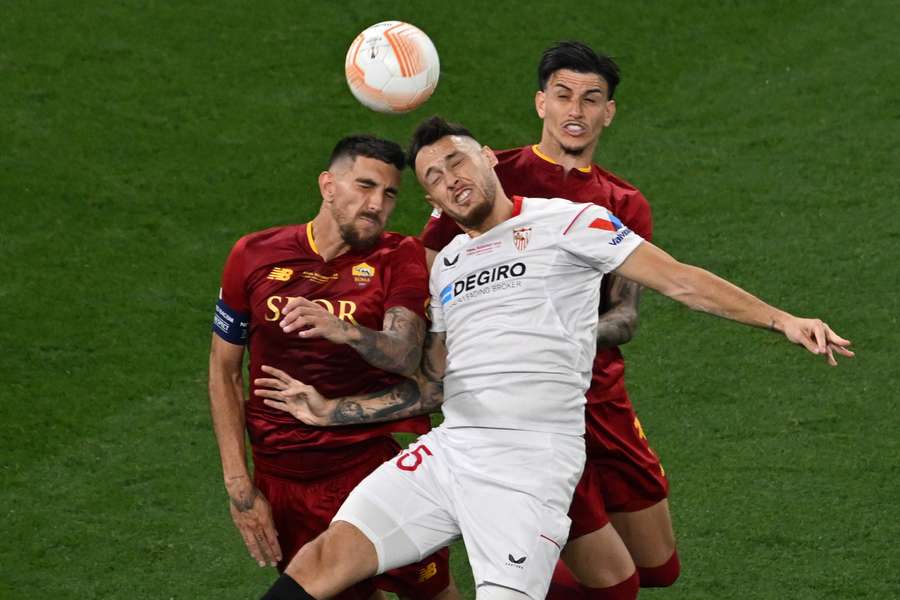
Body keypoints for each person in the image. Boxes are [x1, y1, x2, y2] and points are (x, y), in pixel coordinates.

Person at [255, 117, 852, 600]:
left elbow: (681, 282)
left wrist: (782, 319)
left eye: (457, 161)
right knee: (325, 558)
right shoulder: (449, 265)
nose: (449, 179)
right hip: (452, 450)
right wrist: (332, 410)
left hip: (531, 464)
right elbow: (432, 387)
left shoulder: (570, 222)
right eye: (433, 177)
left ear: (489, 157)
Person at [419, 41, 670, 599]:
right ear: (541, 103)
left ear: (609, 112)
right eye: (562, 96)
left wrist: (557, 327)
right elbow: (431, 279)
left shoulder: (623, 201)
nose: (575, 111)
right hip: (520, 405)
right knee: (608, 577)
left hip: (600, 392)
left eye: (591, 98)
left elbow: (626, 316)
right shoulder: (487, 172)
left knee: (658, 567)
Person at [208, 135, 457, 600]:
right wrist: (240, 487)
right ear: (327, 185)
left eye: (388, 194)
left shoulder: (396, 255)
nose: (376, 204)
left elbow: (405, 354)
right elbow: (224, 370)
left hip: (368, 470)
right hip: (280, 479)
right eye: (364, 186)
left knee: (433, 594)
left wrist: (343, 330)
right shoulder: (254, 255)